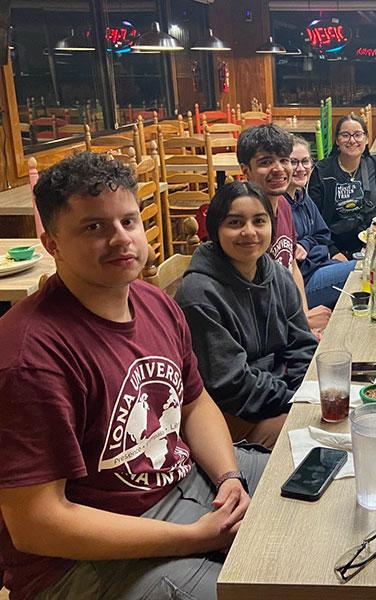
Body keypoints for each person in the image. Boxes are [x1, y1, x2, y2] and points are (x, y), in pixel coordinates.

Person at [0, 153, 267, 600]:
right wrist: (195, 538)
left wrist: (228, 477)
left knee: (307, 479)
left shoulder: (154, 301)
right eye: (94, 227)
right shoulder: (30, 356)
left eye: (128, 221)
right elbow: (37, 525)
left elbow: (195, 403)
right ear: (52, 244)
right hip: (80, 563)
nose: (121, 239)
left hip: (181, 482)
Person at [176, 181, 318, 448]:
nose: (249, 232)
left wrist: (305, 393)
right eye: (235, 223)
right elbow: (230, 384)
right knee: (318, 435)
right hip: (230, 417)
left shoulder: (276, 273)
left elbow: (302, 344)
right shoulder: (199, 295)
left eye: (259, 221)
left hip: (278, 398)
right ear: (216, 229)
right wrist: (294, 401)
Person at [237, 124, 331, 335]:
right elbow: (251, 304)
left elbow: (292, 268)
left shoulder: (285, 205)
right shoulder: (245, 227)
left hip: (290, 320)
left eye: (284, 160)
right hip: (267, 334)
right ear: (245, 171)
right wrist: (300, 325)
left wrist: (303, 315)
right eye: (266, 162)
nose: (279, 168)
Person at [285, 136, 357, 309]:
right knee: (362, 271)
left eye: (305, 161)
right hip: (303, 282)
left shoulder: (302, 196)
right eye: (293, 162)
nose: (301, 168)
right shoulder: (278, 205)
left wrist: (305, 243)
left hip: (321, 265)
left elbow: (322, 234)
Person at [308, 114, 376, 257]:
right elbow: (313, 218)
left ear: (366, 139)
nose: (352, 140)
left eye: (358, 135)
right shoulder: (322, 172)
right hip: (332, 247)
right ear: (337, 140)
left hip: (370, 243)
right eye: (345, 135)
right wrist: (332, 251)